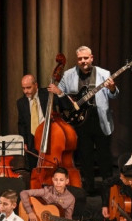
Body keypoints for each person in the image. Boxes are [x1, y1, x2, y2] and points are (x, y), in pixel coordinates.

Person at [49, 46, 119, 195]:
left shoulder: (104, 73)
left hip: (100, 120)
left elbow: (113, 95)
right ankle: (88, 190)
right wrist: (58, 92)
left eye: (86, 58)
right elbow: (60, 95)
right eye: (80, 58)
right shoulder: (68, 74)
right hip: (80, 123)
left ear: (91, 58)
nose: (83, 61)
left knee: (104, 158)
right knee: (85, 158)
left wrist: (112, 88)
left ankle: (108, 192)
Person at [16, 74, 53, 170]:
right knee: (34, 170)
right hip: (32, 141)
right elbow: (21, 124)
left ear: (36, 85)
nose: (25, 91)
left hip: (49, 137)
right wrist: (24, 141)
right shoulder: (21, 102)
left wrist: (59, 93)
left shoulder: (47, 94)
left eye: (28, 88)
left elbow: (64, 105)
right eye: (23, 88)